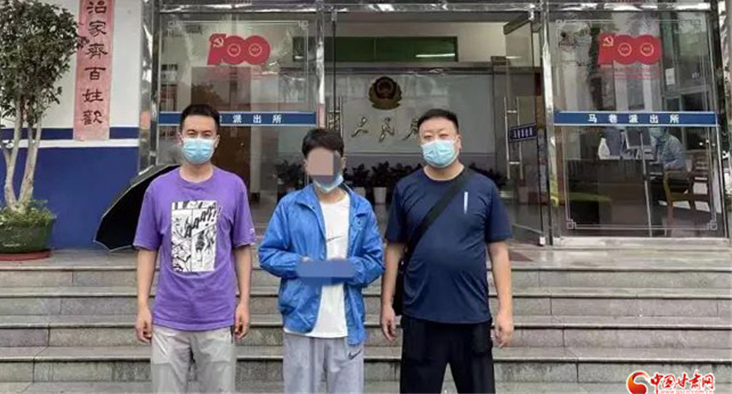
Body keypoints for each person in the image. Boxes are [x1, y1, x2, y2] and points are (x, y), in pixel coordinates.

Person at [380, 108, 514, 394]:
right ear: (420, 142)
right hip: (420, 315)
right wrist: (386, 303)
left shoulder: (483, 189)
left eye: (443, 135)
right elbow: (393, 248)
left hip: (471, 314)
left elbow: (498, 252)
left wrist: (506, 310)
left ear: (458, 141)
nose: (436, 142)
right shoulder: (406, 188)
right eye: (428, 137)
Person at [134, 103, 255, 394]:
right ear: (179, 137)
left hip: (217, 317)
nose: (198, 140)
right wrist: (142, 305)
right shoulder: (158, 189)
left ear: (217, 140)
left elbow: (242, 247)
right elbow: (147, 249)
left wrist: (244, 301)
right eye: (191, 133)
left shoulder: (233, 187)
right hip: (169, 319)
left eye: (206, 134)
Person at [259, 128, 384, 394]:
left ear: (343, 162)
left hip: (346, 324)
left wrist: (346, 269)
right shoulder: (290, 206)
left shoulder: (361, 209)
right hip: (301, 322)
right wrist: (304, 266)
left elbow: (375, 260)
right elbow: (268, 253)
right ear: (306, 165)